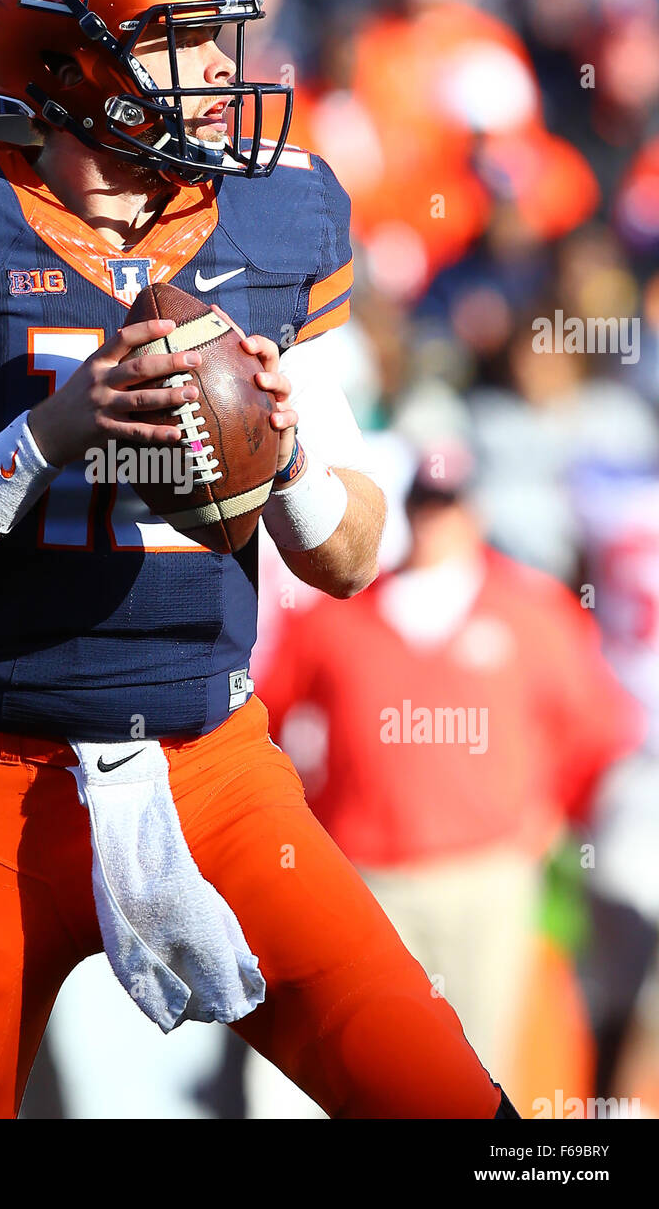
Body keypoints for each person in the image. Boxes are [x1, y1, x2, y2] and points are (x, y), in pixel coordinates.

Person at [0, 0, 517, 1119]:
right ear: (73, 66)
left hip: (214, 764)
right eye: (175, 42)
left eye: (212, 38)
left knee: (452, 1110)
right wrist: (44, 435)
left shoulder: (278, 214)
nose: (212, 70)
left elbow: (351, 555)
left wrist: (285, 459)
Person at [256, 444, 642, 1101]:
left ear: (476, 510)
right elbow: (268, 719)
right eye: (425, 505)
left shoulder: (532, 609)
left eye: (449, 503)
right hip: (370, 877)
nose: (437, 520)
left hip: (487, 878)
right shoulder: (340, 615)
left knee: (477, 1068)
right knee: (365, 1064)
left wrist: (547, 815)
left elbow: (597, 727)